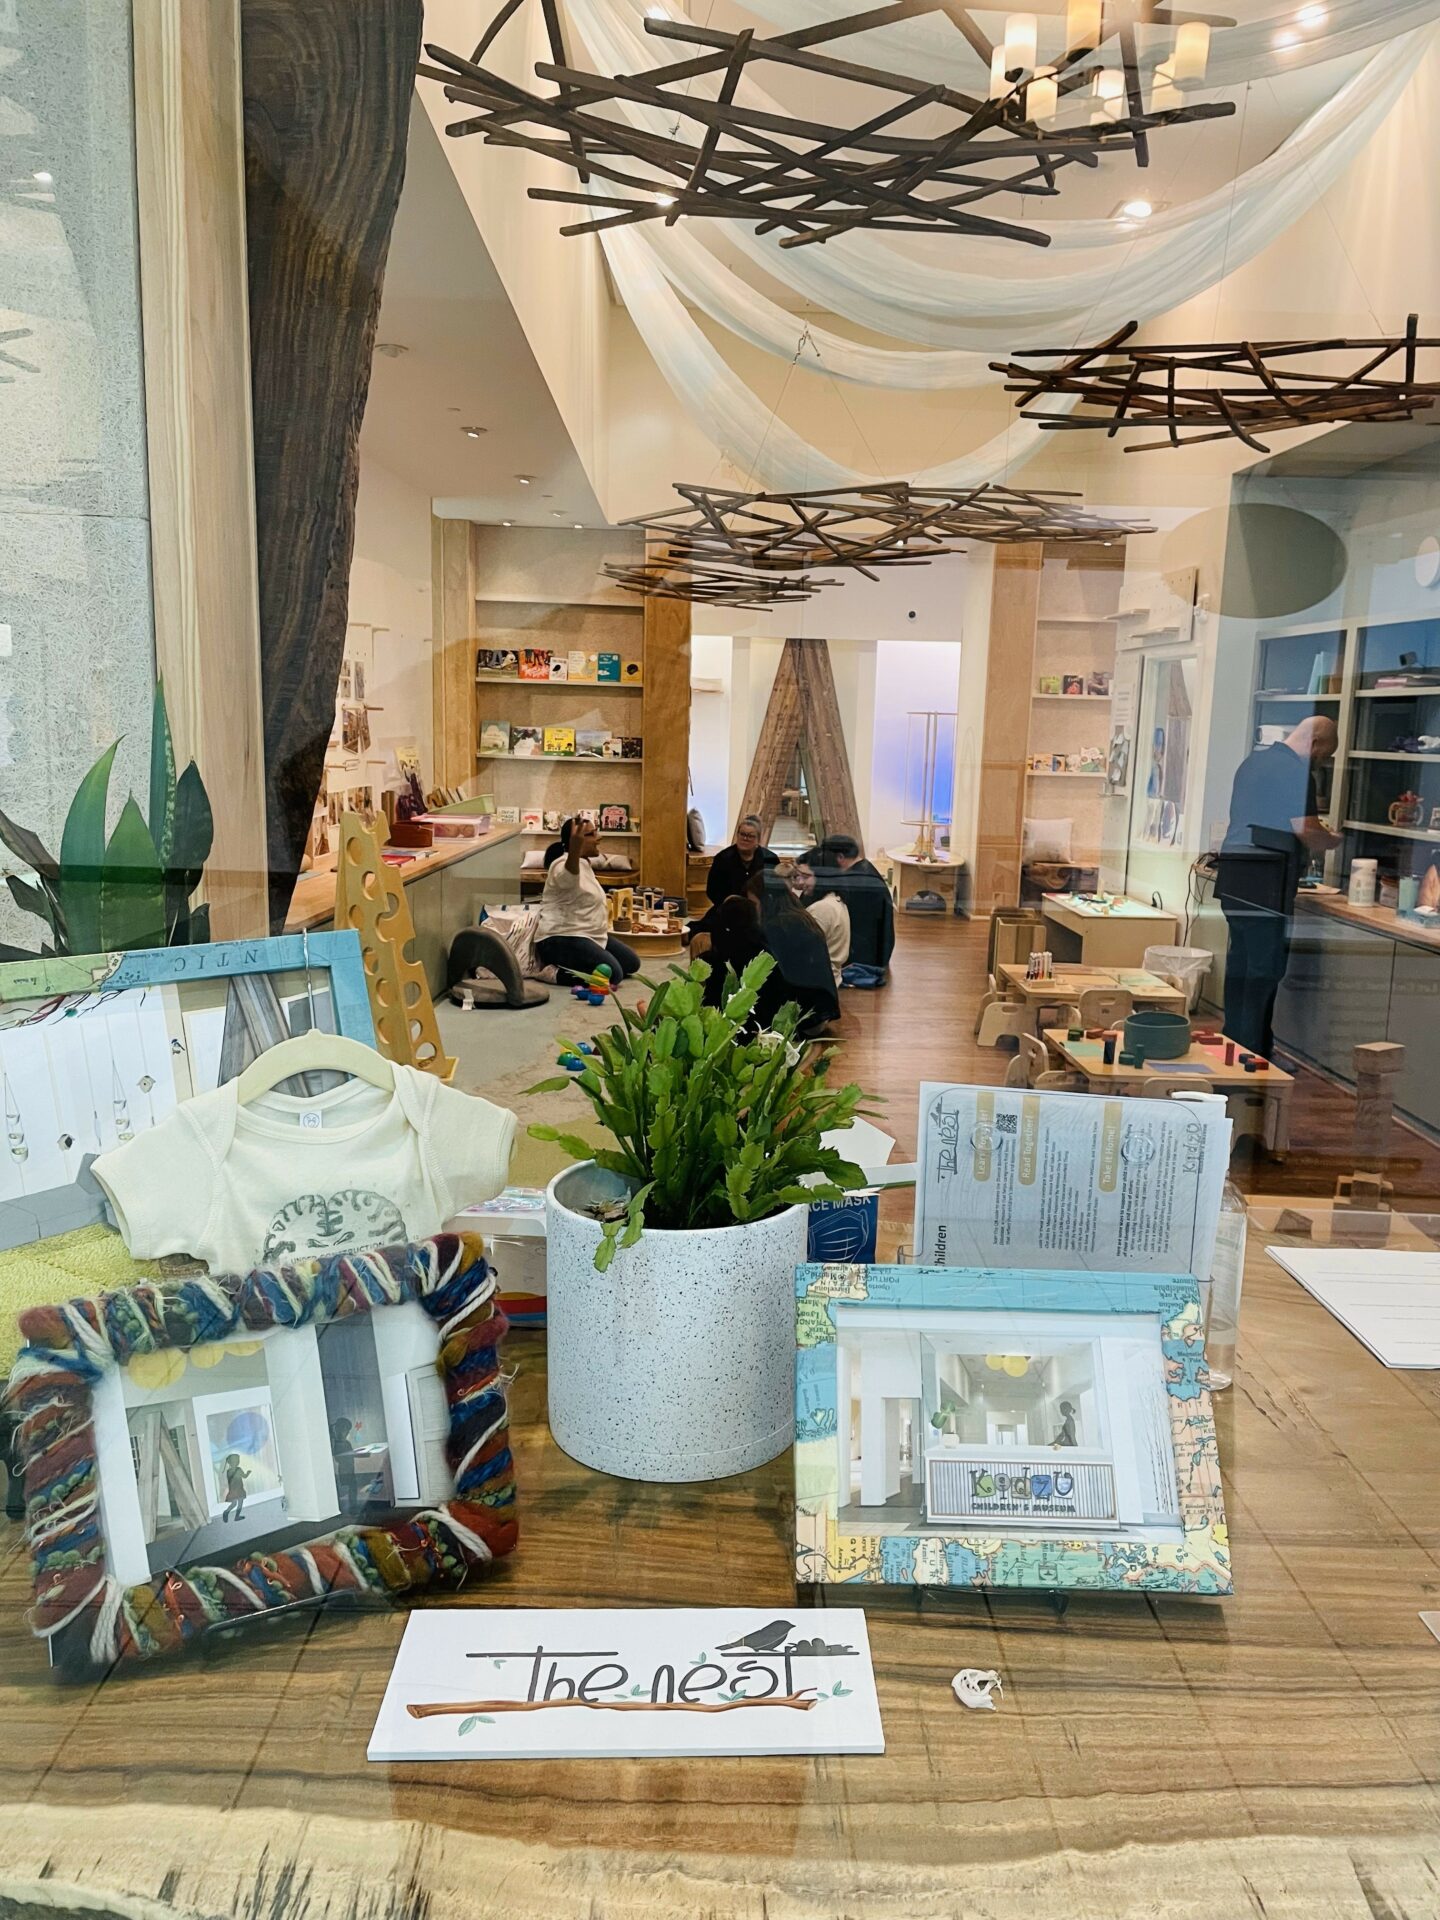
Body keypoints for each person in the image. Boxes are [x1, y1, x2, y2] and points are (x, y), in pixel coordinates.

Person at [1216, 715, 1339, 1057]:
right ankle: (1253, 1054)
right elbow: (1306, 829)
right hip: (1266, 881)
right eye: (1324, 756)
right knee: (1265, 970)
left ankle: (1234, 1044)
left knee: (1241, 964)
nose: (1321, 764)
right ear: (1315, 743)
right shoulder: (1297, 773)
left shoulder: (1252, 762)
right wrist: (1333, 841)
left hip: (1234, 874)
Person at [534, 815, 640, 986]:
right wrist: (575, 849)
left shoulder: (584, 864)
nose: (599, 837)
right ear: (575, 841)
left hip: (589, 935)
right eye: (591, 834)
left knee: (632, 963)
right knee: (613, 975)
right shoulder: (560, 864)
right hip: (560, 938)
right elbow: (568, 878)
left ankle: (582, 962)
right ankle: (553, 973)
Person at [753, 869, 840, 1037]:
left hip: (802, 1020)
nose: (753, 909)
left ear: (766, 900)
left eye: (754, 903)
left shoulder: (777, 927)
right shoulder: (799, 917)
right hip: (819, 1015)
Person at [818, 834, 895, 986]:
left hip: (865, 959)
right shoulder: (865, 870)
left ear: (840, 857)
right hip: (878, 953)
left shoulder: (856, 881)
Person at [789, 851, 851, 990]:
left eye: (806, 877)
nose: (801, 882)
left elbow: (804, 951)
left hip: (817, 981)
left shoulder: (822, 908)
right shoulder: (834, 900)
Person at [705, 815, 779, 910]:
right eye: (742, 834)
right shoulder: (722, 858)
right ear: (737, 835)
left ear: (758, 840)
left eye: (750, 836)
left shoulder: (770, 859)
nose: (745, 838)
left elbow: (777, 890)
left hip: (763, 911)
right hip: (728, 910)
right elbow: (712, 891)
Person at [220, 1453, 250, 1523]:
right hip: (238, 1490)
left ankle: (229, 1513)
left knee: (235, 1503)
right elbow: (244, 1476)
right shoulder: (238, 1470)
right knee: (238, 1503)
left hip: (234, 1490)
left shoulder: (228, 1471)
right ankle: (232, 1514)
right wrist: (248, 1473)